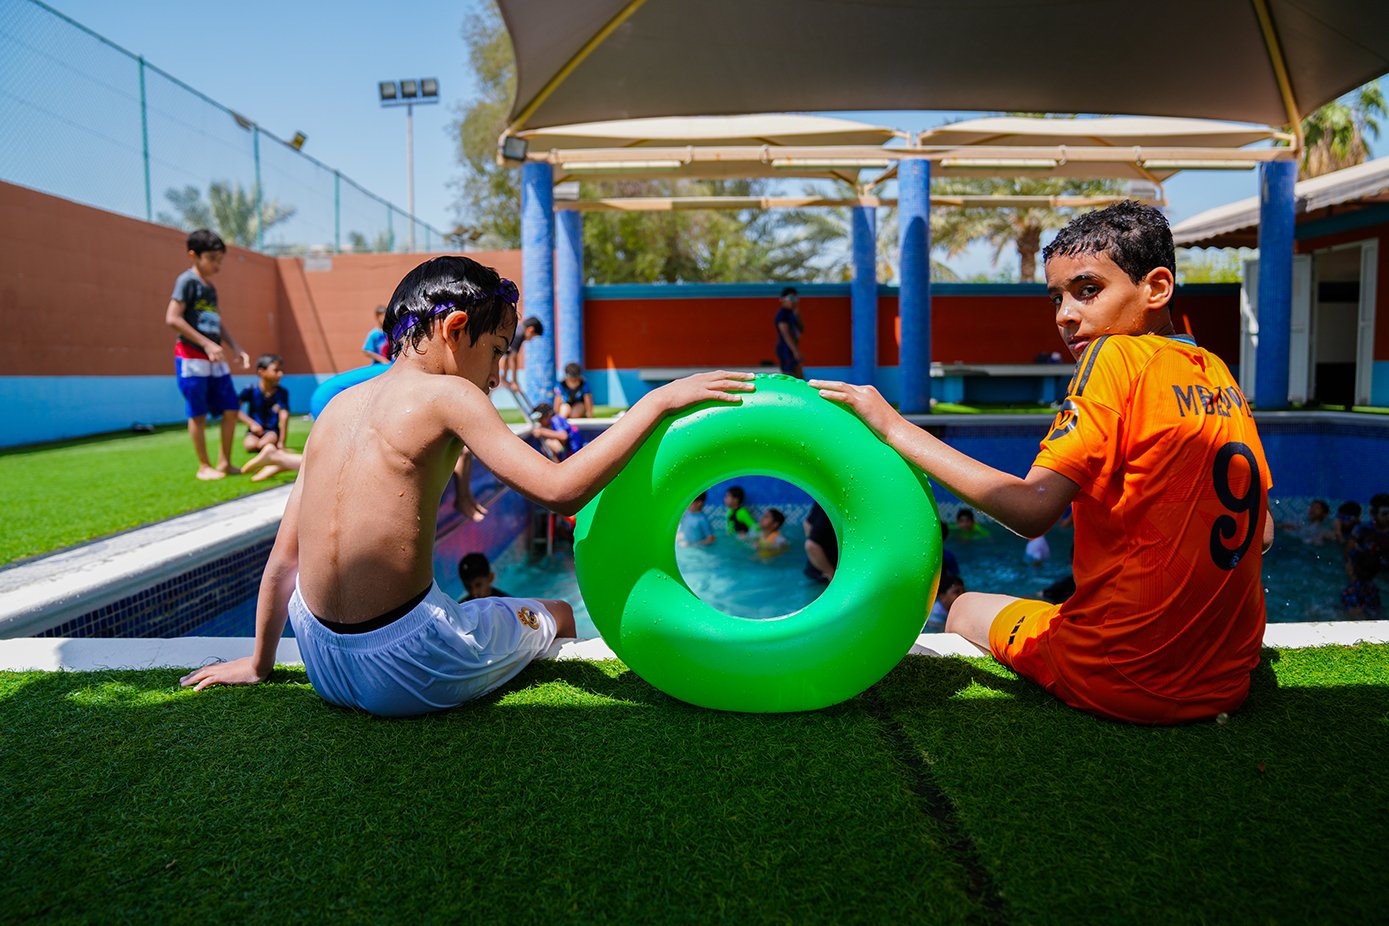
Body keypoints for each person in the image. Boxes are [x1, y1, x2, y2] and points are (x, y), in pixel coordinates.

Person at [180, 255, 753, 716]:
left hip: (320, 658)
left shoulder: (336, 407)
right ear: (455, 329)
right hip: (408, 665)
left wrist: (259, 664)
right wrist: (657, 402)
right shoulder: (452, 395)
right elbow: (561, 490)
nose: (496, 376)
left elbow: (284, 562)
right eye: (497, 352)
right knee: (557, 610)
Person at [811, 201, 1275, 725]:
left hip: (1121, 674)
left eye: (1087, 290)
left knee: (963, 607)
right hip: (1228, 680)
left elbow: (1033, 509)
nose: (1064, 315)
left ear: (1156, 288)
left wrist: (895, 427)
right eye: (1056, 298)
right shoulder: (1215, 372)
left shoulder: (1113, 354)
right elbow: (1261, 534)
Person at [165, 228, 252, 481]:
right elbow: (173, 318)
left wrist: (235, 346)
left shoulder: (210, 288)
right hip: (192, 357)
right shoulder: (187, 282)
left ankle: (224, 462)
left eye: (219, 259)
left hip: (215, 358)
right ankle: (204, 466)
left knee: (231, 407)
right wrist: (206, 344)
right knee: (198, 412)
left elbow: (216, 322)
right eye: (212, 259)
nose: (217, 265)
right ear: (194, 255)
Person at [239, 354, 290, 456]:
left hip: (271, 431)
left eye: (281, 370)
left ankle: (270, 446)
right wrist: (252, 424)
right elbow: (234, 409)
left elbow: (284, 416)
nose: (280, 374)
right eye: (276, 370)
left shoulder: (282, 393)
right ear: (261, 372)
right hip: (254, 431)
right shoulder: (250, 389)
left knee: (263, 444)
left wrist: (281, 443)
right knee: (250, 445)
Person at [1349, 493, 1389, 571]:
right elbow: (1349, 552)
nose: (1388, 517)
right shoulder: (1361, 530)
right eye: (1384, 514)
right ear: (1373, 513)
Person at [501, 315, 543, 388]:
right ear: (530, 330)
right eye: (533, 336)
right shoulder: (519, 334)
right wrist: (514, 382)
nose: (531, 339)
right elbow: (513, 359)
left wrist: (504, 378)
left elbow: (507, 355)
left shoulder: (517, 330)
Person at [774, 286, 805, 378]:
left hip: (792, 347)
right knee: (789, 376)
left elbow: (801, 329)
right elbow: (785, 334)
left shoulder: (792, 313)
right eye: (791, 298)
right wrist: (795, 351)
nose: (793, 301)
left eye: (796, 299)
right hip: (786, 349)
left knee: (800, 376)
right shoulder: (782, 314)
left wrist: (797, 315)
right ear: (782, 299)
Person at [803, 501, 838, 582]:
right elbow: (811, 546)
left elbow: (807, 524)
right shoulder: (835, 505)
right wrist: (831, 573)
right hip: (827, 571)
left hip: (815, 568)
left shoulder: (825, 498)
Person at [1341, 550, 1381, 618]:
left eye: (1348, 562)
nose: (1346, 564)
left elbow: (1355, 614)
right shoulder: (1373, 588)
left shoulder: (1350, 591)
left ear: (1352, 569)